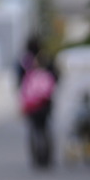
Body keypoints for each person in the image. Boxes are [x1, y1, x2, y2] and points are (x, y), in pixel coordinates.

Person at [16, 36, 59, 169]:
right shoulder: (46, 59)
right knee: (45, 128)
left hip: (31, 103)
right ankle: (47, 157)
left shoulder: (24, 62)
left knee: (33, 129)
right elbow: (56, 77)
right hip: (46, 102)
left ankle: (36, 157)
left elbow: (19, 82)